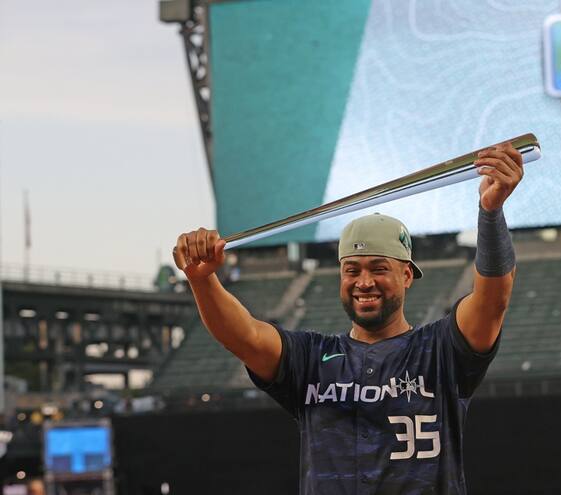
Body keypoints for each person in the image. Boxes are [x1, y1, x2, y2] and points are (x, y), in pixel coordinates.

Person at [173, 143, 524, 494]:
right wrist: (201, 279)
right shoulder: (310, 359)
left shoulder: (440, 351)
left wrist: (490, 213)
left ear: (406, 276)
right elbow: (244, 336)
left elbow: (492, 301)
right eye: (351, 270)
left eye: (379, 268)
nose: (364, 282)